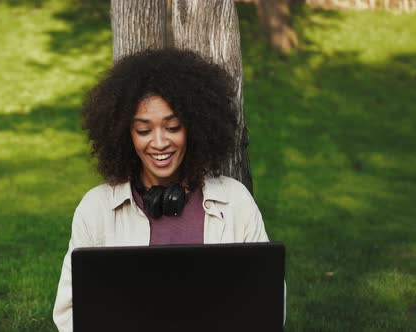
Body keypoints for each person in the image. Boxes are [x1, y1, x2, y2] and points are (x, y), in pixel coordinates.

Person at [53, 48, 272, 332]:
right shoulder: (95, 209)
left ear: (194, 126)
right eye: (143, 130)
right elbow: (69, 313)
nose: (159, 142)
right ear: (124, 134)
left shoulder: (236, 201)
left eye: (173, 127)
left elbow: (267, 306)